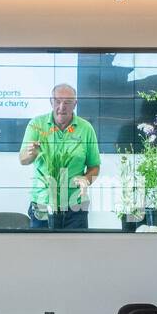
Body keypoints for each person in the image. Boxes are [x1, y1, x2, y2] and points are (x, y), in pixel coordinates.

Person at [19, 84, 101, 229]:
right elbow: (23, 160)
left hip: (75, 205)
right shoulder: (36, 125)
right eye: (58, 101)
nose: (62, 106)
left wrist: (86, 179)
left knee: (77, 250)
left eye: (68, 102)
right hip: (43, 203)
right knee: (41, 250)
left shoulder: (86, 129)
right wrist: (31, 153)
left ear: (75, 104)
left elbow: (94, 166)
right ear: (51, 101)